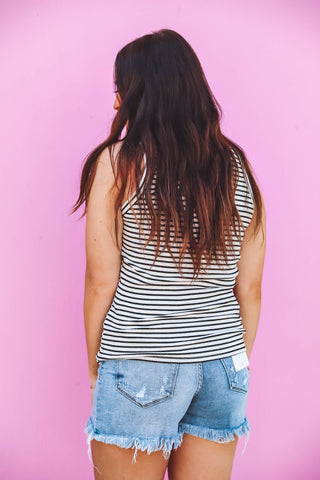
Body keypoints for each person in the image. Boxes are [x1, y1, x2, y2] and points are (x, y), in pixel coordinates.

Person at [71, 28, 266, 480]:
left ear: (143, 93)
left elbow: (101, 280)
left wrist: (97, 366)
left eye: (121, 91)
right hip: (224, 366)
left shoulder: (119, 162)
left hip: (142, 360)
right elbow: (249, 287)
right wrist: (232, 359)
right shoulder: (236, 166)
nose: (116, 104)